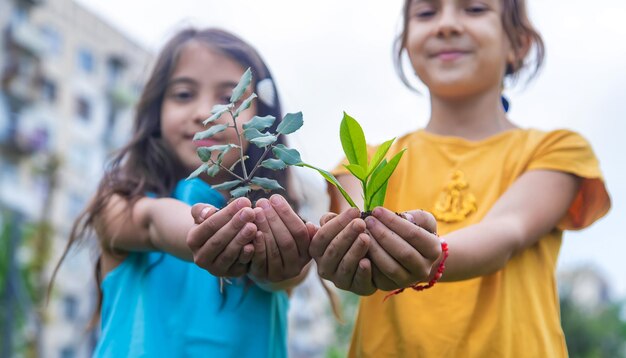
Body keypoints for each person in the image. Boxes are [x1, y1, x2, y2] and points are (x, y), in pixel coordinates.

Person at [310, 0, 612, 356]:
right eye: (426, 13)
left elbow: (508, 230)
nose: (446, 25)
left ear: (518, 43)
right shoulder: (365, 162)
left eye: (474, 9)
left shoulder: (557, 150)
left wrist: (433, 257)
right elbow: (347, 236)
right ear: (406, 44)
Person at [51, 28, 314, 357]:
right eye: (184, 95)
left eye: (229, 98)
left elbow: (286, 274)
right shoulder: (118, 203)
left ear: (264, 121)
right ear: (155, 113)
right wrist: (206, 230)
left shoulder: (274, 221)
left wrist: (282, 259)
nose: (205, 113)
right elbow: (152, 221)